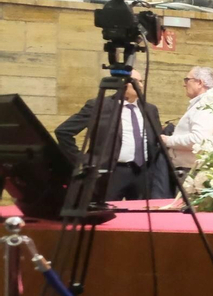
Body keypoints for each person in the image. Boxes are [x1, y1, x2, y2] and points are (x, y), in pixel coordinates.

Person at [54, 66, 172, 200]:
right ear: (122, 83)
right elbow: (63, 132)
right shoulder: (99, 105)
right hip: (110, 173)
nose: (140, 85)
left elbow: (154, 140)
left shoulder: (150, 109)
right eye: (135, 81)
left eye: (141, 81)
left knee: (140, 216)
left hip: (143, 173)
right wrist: (81, 160)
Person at [162, 66, 213, 172]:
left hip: (190, 170)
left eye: (187, 80)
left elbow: (199, 140)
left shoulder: (205, 105)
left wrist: (167, 140)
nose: (184, 84)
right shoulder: (204, 103)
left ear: (199, 83)